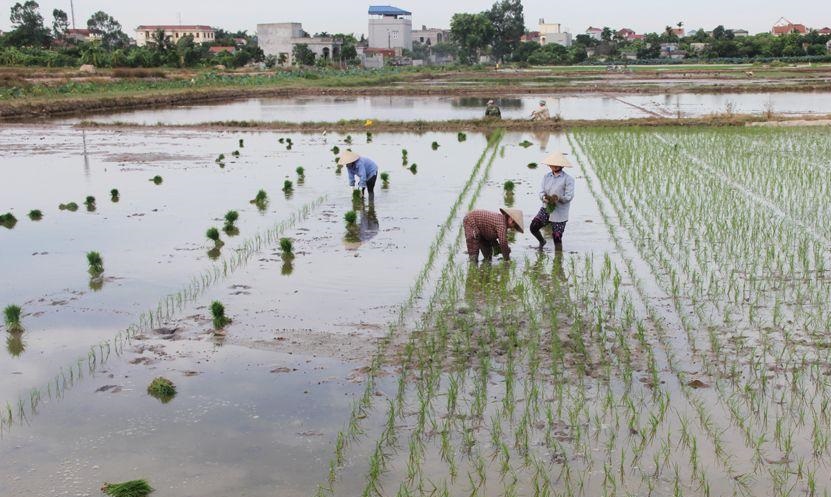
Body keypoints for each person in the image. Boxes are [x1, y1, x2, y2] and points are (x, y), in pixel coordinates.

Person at [530, 152, 575, 251]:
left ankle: (558, 257)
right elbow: (541, 192)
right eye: (552, 163)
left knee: (557, 237)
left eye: (557, 164)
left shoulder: (568, 179)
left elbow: (569, 197)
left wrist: (558, 198)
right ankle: (542, 242)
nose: (554, 165)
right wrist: (544, 198)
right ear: (549, 164)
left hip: (560, 212)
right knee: (533, 227)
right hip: (546, 208)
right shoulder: (546, 177)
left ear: (562, 165)